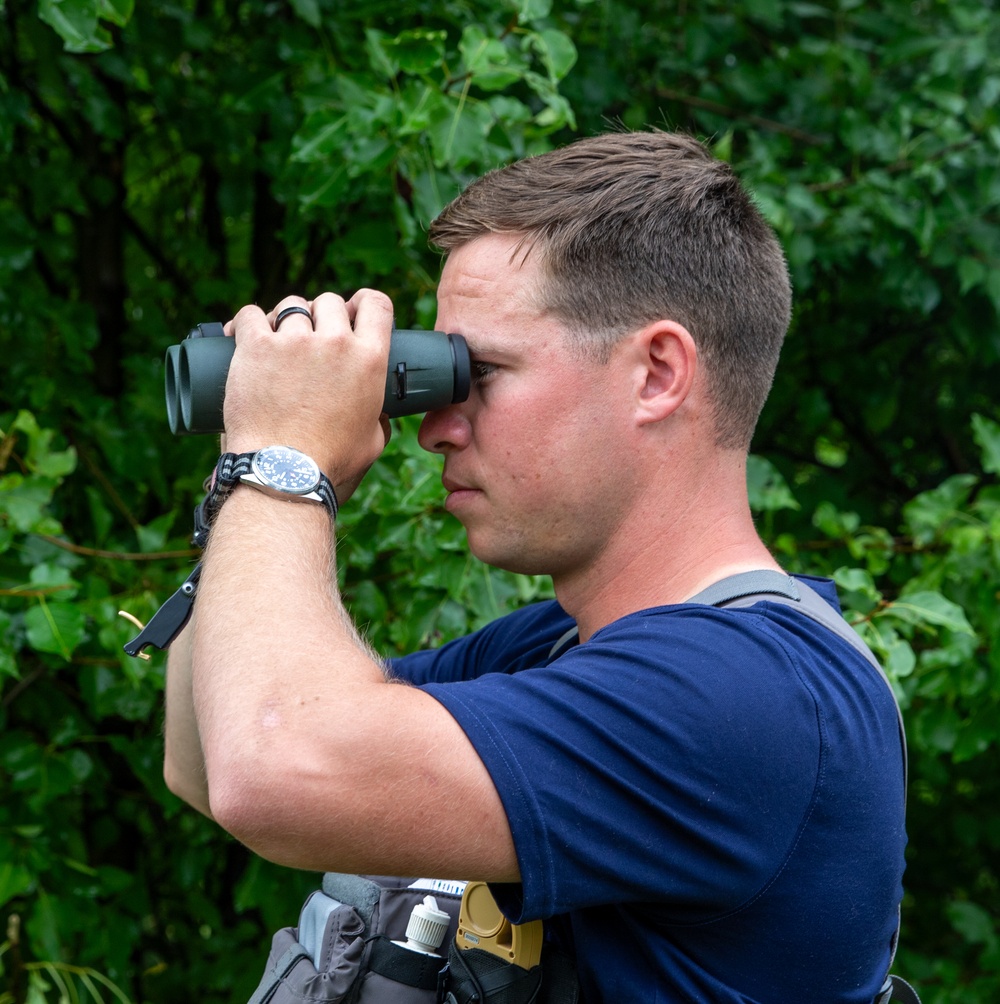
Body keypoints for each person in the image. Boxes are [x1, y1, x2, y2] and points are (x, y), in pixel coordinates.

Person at [163, 130, 907, 1003]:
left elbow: (277, 770)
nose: (436, 426)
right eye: (440, 378)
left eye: (483, 371)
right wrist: (250, 465)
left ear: (657, 374)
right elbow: (211, 757)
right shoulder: (561, 649)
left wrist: (281, 461)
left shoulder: (750, 697)